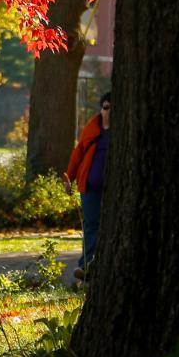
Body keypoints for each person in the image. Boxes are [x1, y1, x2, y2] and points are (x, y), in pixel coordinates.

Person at [65, 91, 111, 280]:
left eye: (112, 108)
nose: (108, 112)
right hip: (90, 188)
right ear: (101, 109)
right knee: (92, 226)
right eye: (106, 107)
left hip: (112, 190)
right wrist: (70, 177)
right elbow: (78, 155)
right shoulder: (92, 130)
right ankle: (86, 266)